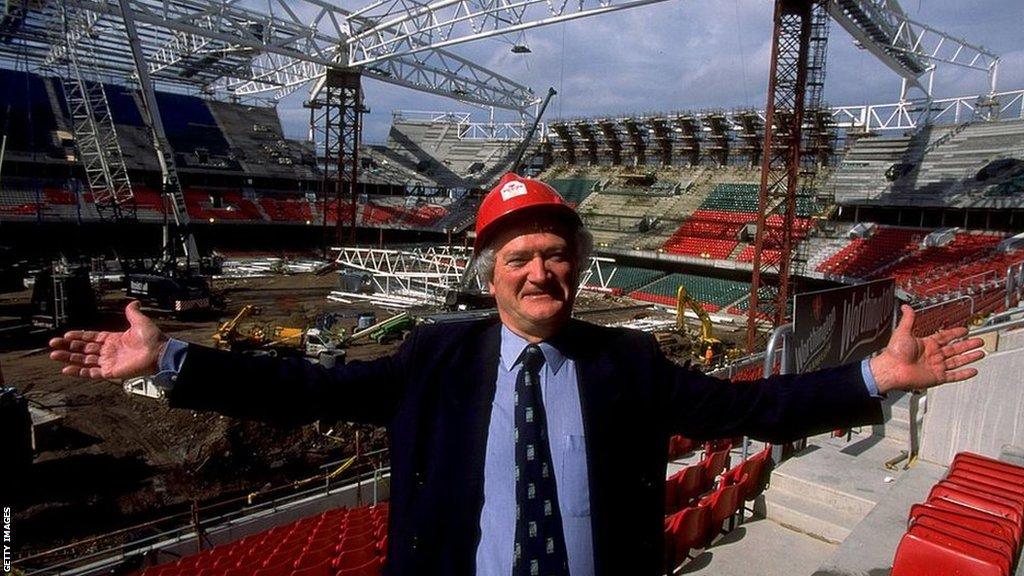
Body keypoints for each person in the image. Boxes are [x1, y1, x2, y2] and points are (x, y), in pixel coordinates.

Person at [50, 173, 985, 576]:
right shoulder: (434, 357)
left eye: (555, 254)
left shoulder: (628, 359)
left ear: (577, 265)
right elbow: (310, 391)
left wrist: (874, 378)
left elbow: (753, 405)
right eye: (519, 258)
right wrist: (171, 360)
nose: (541, 272)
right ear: (489, 271)